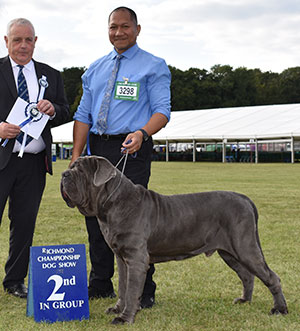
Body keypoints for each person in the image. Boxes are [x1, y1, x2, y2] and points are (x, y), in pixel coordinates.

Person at [71, 7, 171, 308]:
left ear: (137, 29)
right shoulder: (94, 69)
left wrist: (142, 133)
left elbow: (162, 111)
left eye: (125, 26)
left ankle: (144, 290)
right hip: (96, 150)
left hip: (132, 147)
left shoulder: (153, 66)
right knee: (95, 218)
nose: (118, 32)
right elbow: (83, 115)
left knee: (135, 221)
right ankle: (100, 282)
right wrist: (77, 155)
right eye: (113, 27)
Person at [0, 18, 69, 298]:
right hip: (1, 160)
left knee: (25, 223)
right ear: (6, 41)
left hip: (34, 163)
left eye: (28, 40)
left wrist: (53, 109)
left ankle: (15, 280)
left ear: (36, 41)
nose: (23, 45)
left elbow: (66, 110)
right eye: (17, 40)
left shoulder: (51, 74)